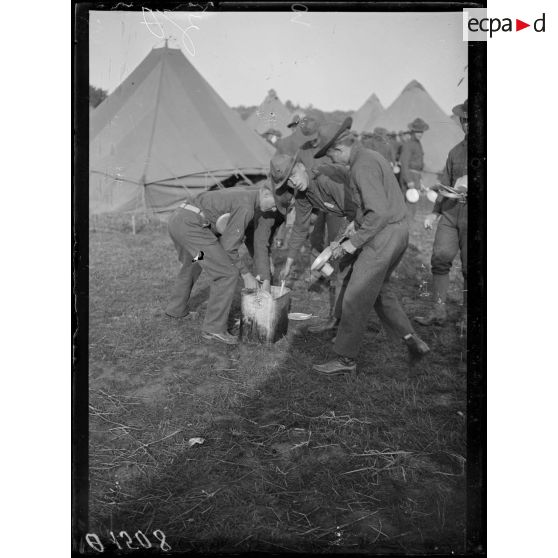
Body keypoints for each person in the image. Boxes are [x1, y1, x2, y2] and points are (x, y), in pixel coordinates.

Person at [302, 118, 430, 376]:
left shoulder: (361, 166)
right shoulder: (369, 158)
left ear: (339, 149)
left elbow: (379, 213)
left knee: (355, 296)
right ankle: (411, 339)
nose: (332, 161)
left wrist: (352, 243)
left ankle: (345, 359)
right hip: (397, 231)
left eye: (330, 156)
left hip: (383, 235)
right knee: (380, 291)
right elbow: (371, 205)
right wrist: (353, 226)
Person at [164, 176, 284, 345]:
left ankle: (176, 309)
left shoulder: (247, 196)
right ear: (265, 193)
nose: (272, 210)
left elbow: (245, 240)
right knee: (226, 273)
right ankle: (214, 328)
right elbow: (229, 247)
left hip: (179, 218)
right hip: (192, 227)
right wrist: (246, 274)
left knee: (194, 263)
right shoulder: (247, 206)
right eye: (273, 205)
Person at [415, 100, 468, 328]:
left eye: (470, 119)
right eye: (463, 120)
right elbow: (445, 184)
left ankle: (468, 318)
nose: (466, 124)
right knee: (439, 259)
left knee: (470, 267)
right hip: (450, 214)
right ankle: (438, 311)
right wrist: (435, 212)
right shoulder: (455, 151)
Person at [399, 118, 429, 197]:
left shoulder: (418, 144)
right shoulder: (408, 144)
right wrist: (409, 180)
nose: (420, 134)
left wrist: (419, 178)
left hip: (416, 177)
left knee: (416, 202)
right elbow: (404, 163)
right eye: (417, 132)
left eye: (421, 132)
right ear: (412, 131)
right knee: (409, 202)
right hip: (410, 177)